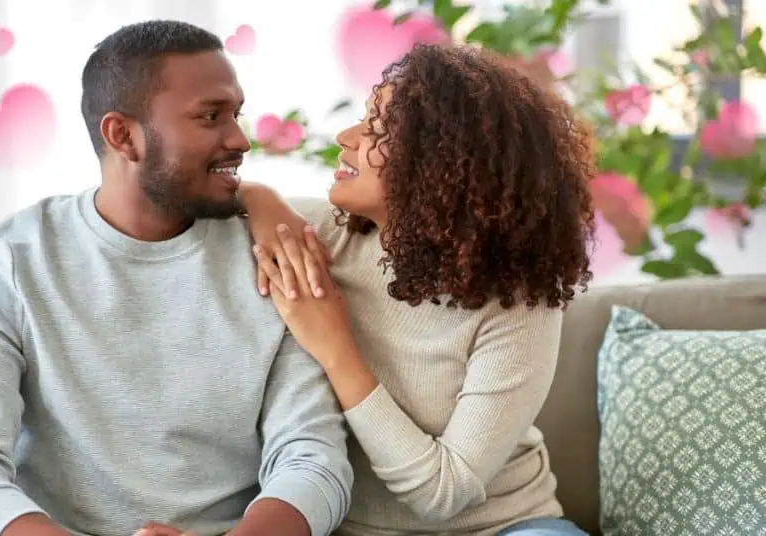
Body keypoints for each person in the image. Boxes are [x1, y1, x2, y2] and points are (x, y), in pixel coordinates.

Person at [0, 20, 353, 536]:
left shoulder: (272, 256)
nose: (239, 138)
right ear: (122, 135)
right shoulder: (8, 265)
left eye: (236, 113)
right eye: (210, 116)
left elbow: (313, 458)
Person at [240, 44, 596, 536]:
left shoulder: (518, 301)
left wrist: (335, 346)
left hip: (503, 528)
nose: (346, 138)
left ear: (440, 162)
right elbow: (205, 195)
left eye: (377, 129)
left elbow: (445, 492)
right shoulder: (323, 237)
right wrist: (259, 197)